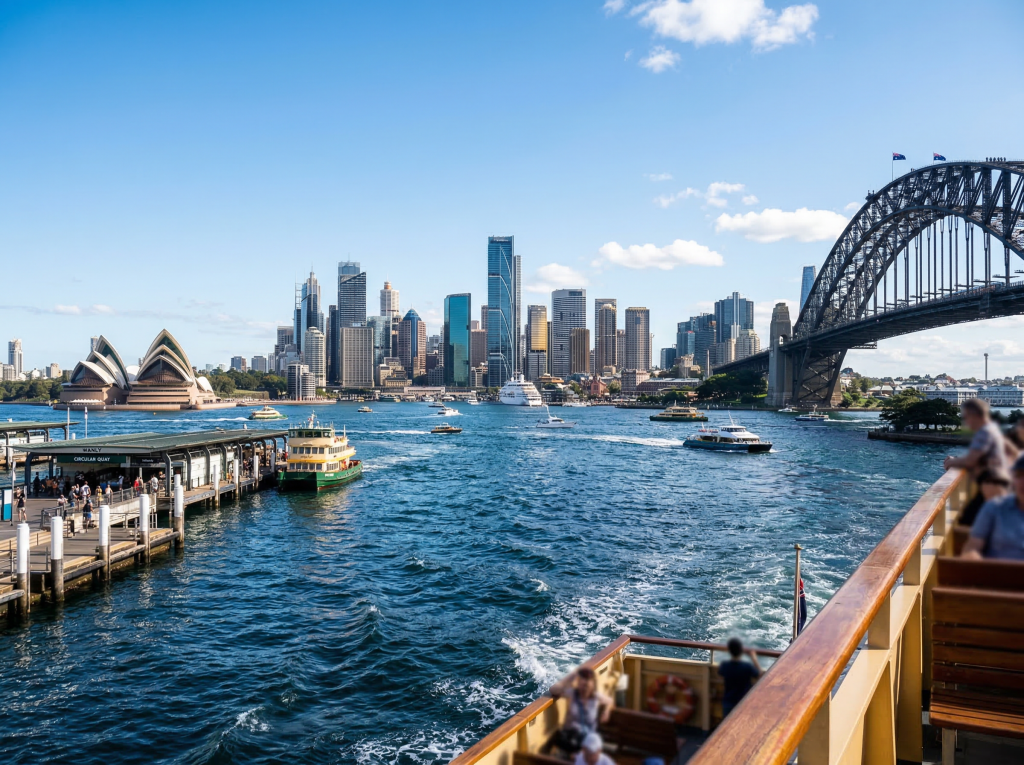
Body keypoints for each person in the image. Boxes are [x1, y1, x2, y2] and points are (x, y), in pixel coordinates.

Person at [962, 453, 1024, 560]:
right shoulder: (994, 507)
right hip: (996, 574)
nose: (1023, 481)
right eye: (1019, 475)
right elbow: (973, 547)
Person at [547, 667, 613, 755]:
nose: (585, 688)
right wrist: (570, 676)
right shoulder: (572, 694)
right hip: (571, 737)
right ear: (578, 683)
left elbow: (610, 701)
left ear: (592, 685)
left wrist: (606, 711)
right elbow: (553, 690)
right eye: (583, 683)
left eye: (588, 684)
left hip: (589, 739)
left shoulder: (596, 697)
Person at [944, 399, 1009, 478]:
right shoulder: (992, 429)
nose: (965, 422)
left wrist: (951, 461)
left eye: (966, 417)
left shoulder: (984, 433)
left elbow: (971, 461)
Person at [717, 638, 762, 717]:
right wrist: (754, 658)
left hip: (728, 703)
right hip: (743, 704)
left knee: (727, 727)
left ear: (729, 651)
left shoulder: (724, 666)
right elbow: (760, 675)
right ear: (741, 651)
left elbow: (720, 675)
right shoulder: (747, 667)